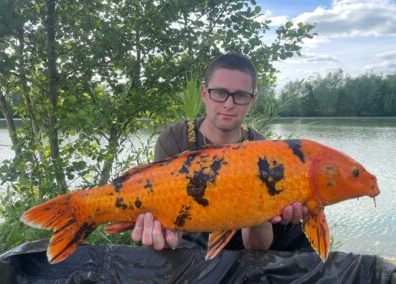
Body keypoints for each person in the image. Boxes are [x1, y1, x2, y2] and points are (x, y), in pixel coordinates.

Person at [131, 53, 311, 253]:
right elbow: (162, 210)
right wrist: (164, 234)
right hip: (187, 240)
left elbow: (256, 246)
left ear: (252, 100)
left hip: (240, 250)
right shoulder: (175, 139)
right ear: (204, 93)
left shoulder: (263, 150)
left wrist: (259, 210)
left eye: (240, 96)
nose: (229, 104)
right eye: (219, 92)